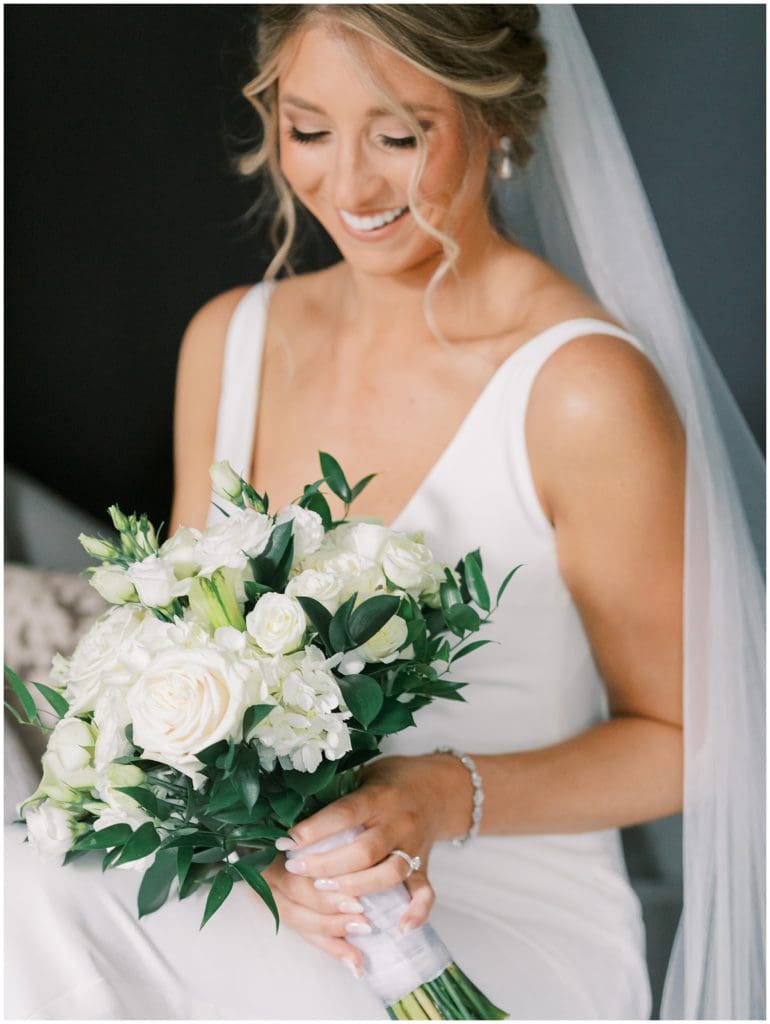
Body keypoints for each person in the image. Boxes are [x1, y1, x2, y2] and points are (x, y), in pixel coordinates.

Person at [5, 5, 763, 1021]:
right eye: (310, 130)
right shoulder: (229, 341)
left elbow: (691, 738)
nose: (351, 186)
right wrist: (251, 859)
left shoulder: (581, 391)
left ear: (499, 117)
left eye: (399, 137)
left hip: (504, 920)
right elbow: (169, 658)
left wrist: (439, 794)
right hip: (271, 898)